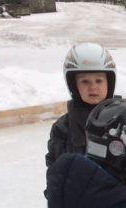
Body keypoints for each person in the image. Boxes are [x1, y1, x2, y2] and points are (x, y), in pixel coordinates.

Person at [46, 43, 116, 180]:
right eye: (85, 82)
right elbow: (55, 172)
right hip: (77, 197)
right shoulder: (63, 128)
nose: (93, 87)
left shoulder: (122, 120)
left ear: (110, 82)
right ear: (73, 85)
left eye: (99, 81)